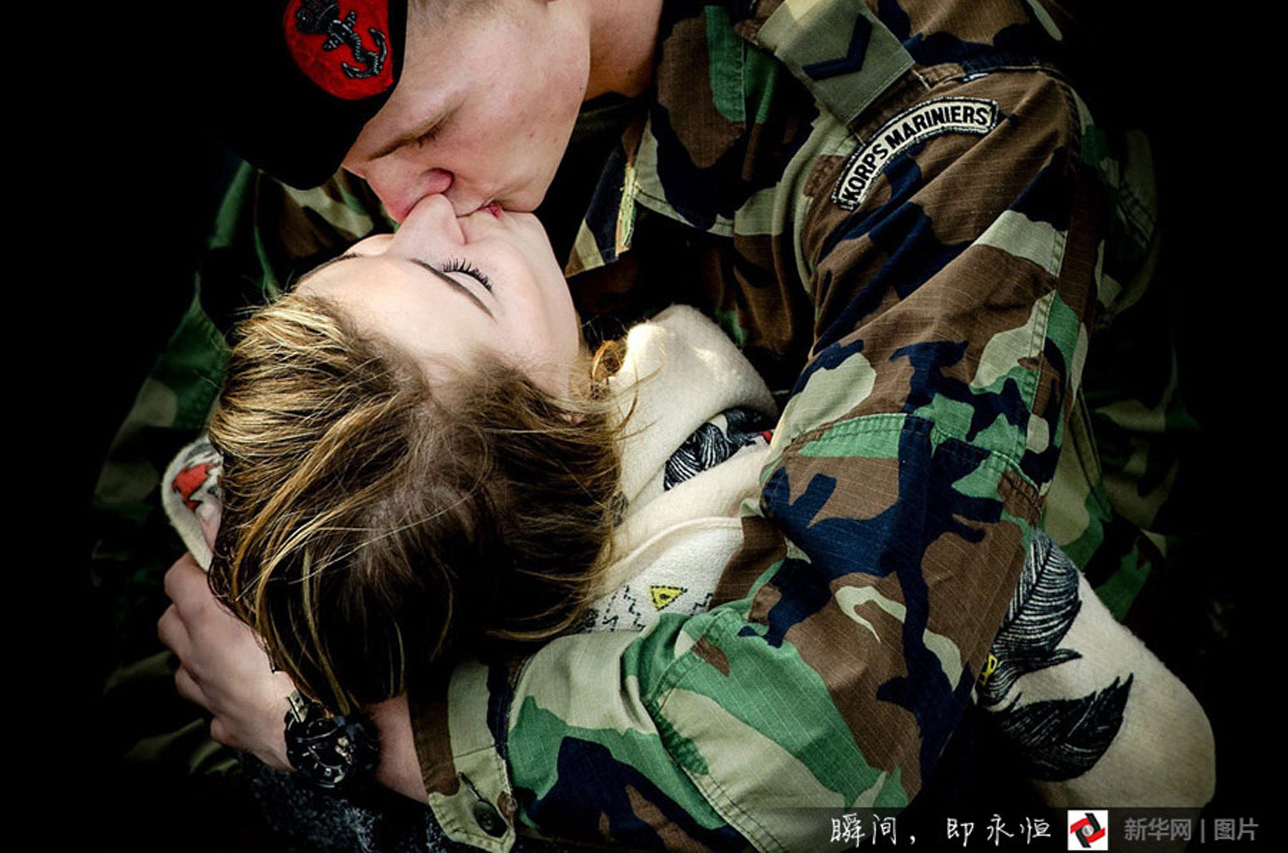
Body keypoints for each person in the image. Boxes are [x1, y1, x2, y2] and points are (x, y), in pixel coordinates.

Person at [133, 0, 1192, 848]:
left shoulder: (938, 116)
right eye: (367, 170)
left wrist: (362, 738)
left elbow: (828, 727)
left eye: (423, 137)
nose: (403, 209)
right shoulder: (388, 110)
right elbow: (152, 561)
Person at [165, 196, 1210, 839]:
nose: (430, 212)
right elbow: (1162, 790)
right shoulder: (749, 568)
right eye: (462, 278)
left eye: (360, 255)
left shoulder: (316, 561)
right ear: (566, 435)